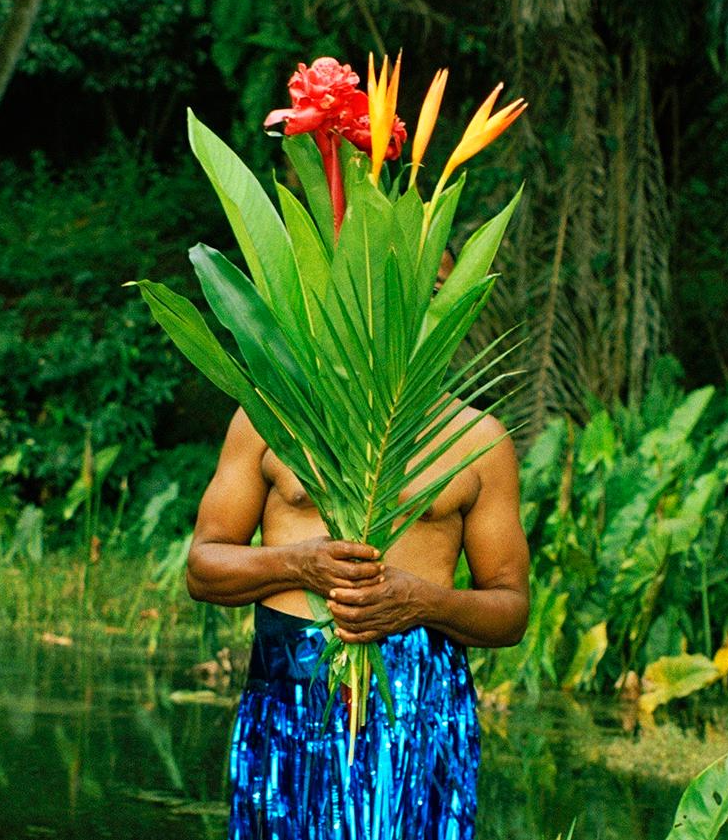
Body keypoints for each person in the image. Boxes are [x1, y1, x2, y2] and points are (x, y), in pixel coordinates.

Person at [187, 262, 530, 840]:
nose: (413, 303)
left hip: (422, 706)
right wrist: (297, 564)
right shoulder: (272, 418)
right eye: (399, 282)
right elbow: (203, 568)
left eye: (436, 289)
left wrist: (423, 603)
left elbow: (512, 611)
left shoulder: (478, 440)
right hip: (287, 692)